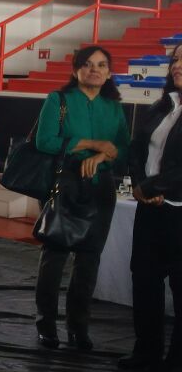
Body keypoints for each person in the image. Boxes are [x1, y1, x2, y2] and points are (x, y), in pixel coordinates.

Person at [33, 45, 129, 351]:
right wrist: (92, 143)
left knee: (89, 259)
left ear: (109, 73)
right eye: (87, 64)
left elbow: (123, 148)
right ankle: (46, 324)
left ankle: (78, 327)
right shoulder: (58, 100)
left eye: (101, 65)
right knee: (55, 256)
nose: (94, 70)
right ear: (76, 70)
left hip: (101, 188)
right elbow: (45, 141)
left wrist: (102, 156)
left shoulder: (114, 107)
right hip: (65, 185)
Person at [120, 42, 182, 372]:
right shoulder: (161, 107)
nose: (177, 65)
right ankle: (146, 351)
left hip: (177, 210)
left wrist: (154, 188)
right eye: (175, 59)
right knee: (144, 280)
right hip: (150, 209)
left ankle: (176, 362)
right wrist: (141, 185)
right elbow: (136, 150)